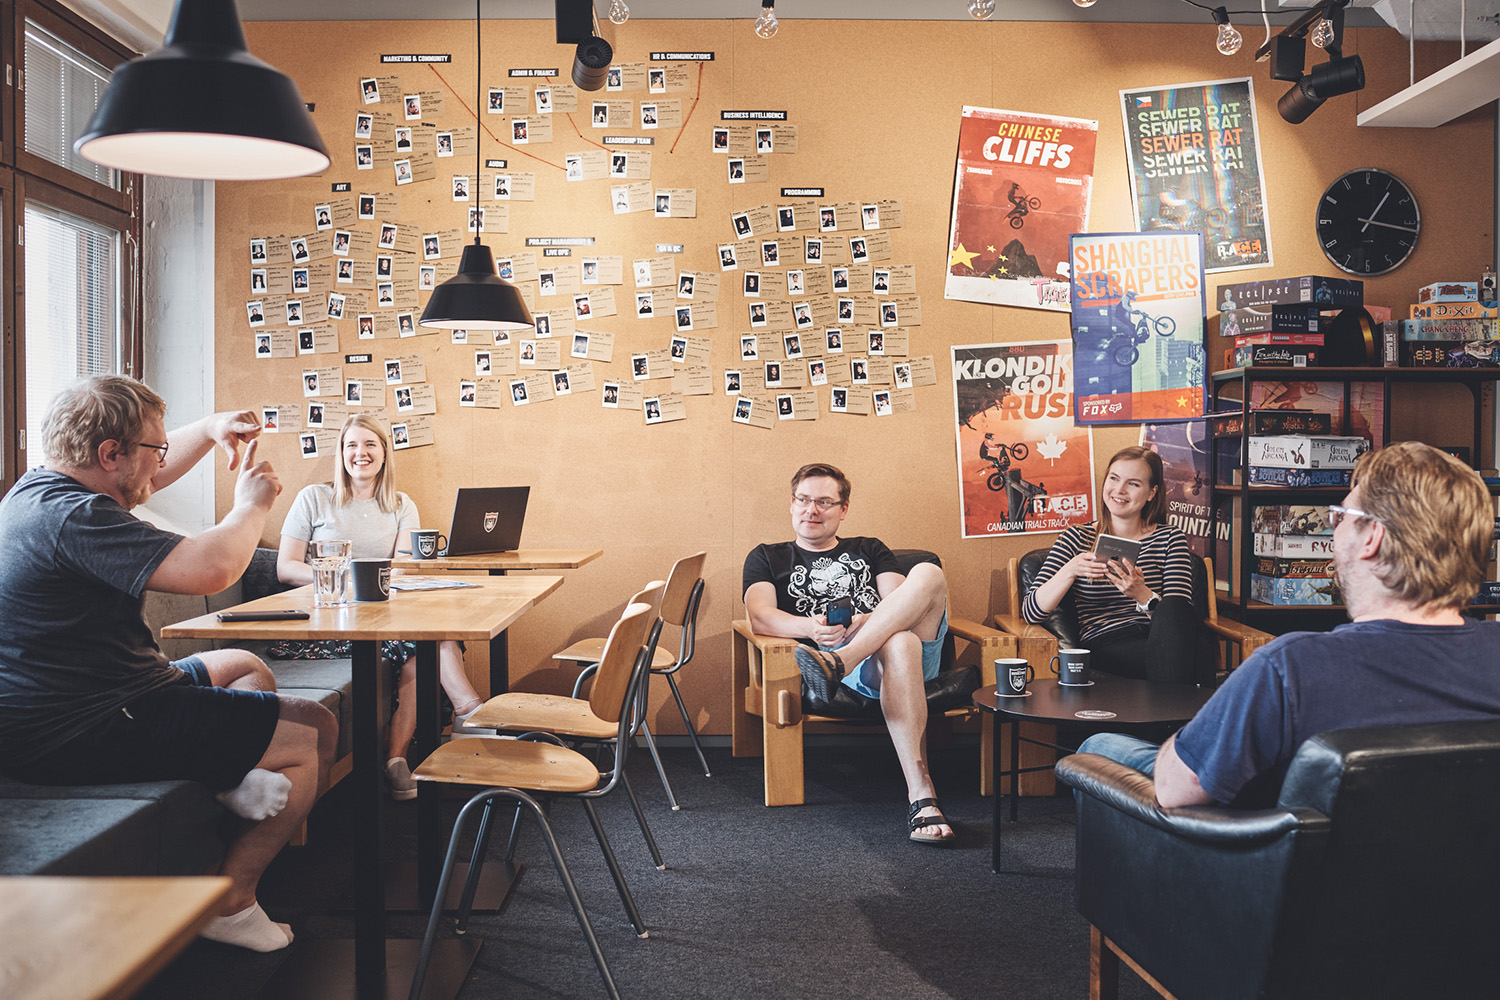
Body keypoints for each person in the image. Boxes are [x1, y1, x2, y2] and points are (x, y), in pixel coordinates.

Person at [0, 376, 335, 951]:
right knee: (315, 730)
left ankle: (223, 776)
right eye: (153, 448)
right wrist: (251, 504)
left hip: (102, 693)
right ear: (110, 454)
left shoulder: (38, 493)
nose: (159, 462)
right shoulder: (78, 518)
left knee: (240, 664)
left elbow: (143, 478)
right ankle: (231, 900)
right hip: (84, 724)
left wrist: (209, 430)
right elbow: (211, 569)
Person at [1081, 443, 1500, 809]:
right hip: (1470, 891)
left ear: (1372, 537)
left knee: (1099, 746)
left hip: (1298, 884)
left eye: (1341, 516)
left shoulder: (1291, 666)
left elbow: (1174, 788)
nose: (1334, 532)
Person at [276, 414, 488, 801]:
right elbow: (286, 568)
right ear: (340, 454)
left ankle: (397, 760)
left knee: (423, 643)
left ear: (385, 453)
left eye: (370, 444)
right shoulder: (314, 497)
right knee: (425, 641)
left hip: (386, 617)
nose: (361, 453)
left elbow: (403, 568)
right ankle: (470, 713)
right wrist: (347, 581)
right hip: (327, 623)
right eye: (352, 445)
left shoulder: (401, 505)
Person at [743, 463, 955, 845]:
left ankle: (844, 660)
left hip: (878, 655)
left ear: (843, 509)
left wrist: (865, 621)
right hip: (863, 662)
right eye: (804, 500)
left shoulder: (870, 548)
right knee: (899, 642)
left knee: (928, 573)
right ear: (791, 504)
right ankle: (922, 794)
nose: (812, 510)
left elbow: (898, 603)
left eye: (825, 501)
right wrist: (810, 627)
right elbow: (759, 616)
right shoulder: (767, 557)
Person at [1021, 446, 1198, 684]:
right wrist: (1071, 569)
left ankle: (1172, 715)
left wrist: (1142, 595)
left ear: (1151, 493)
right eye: (1114, 479)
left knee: (1187, 642)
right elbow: (1031, 612)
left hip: (1162, 636)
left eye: (1133, 484)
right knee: (1193, 660)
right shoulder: (1076, 538)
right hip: (1107, 641)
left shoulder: (1169, 538)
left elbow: (1179, 616)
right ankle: (1185, 717)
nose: (1119, 490)